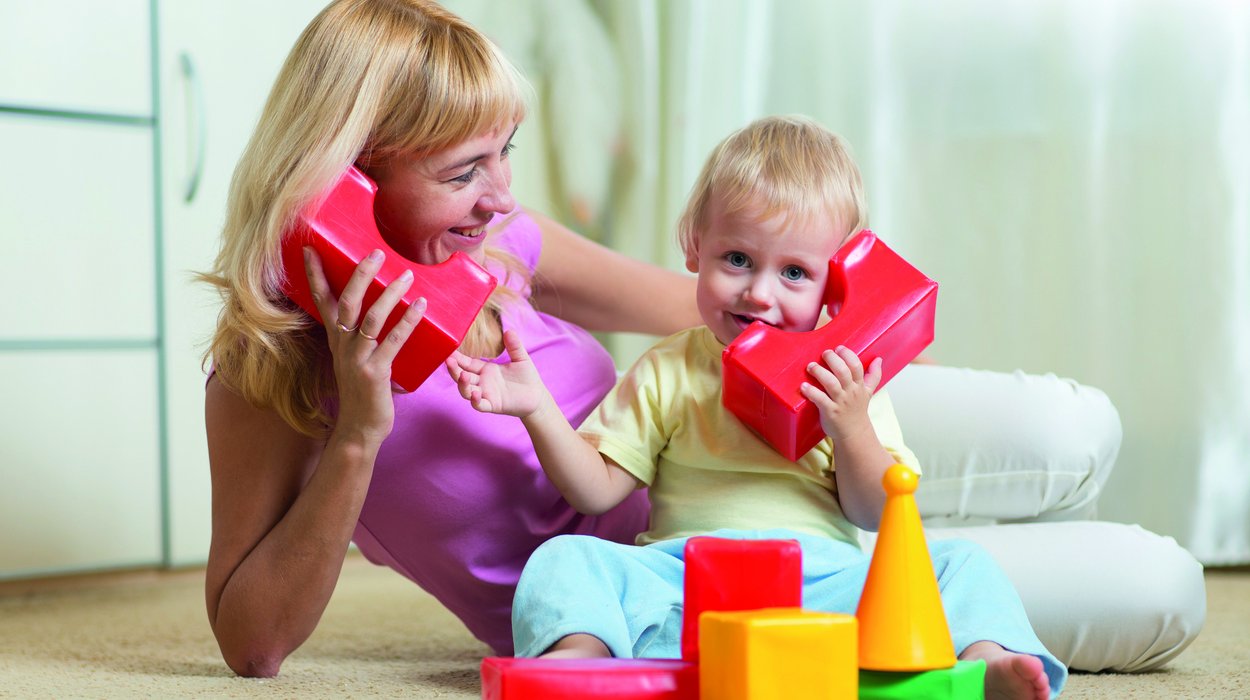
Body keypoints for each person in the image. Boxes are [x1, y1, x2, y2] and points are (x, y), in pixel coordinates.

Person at [200, 0, 1201, 681]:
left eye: (504, 152)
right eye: (466, 171)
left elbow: (693, 302)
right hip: (644, 581)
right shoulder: (267, 369)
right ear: (354, 177)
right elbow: (252, 645)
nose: (503, 196)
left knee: (1068, 428)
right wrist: (358, 433)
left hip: (769, 420)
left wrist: (855, 341)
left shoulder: (499, 237)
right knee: (1151, 584)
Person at [449, 116, 1063, 700]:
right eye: (737, 259)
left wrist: (848, 426)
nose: (759, 293)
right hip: (688, 585)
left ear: (837, 286)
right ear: (695, 246)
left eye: (795, 273)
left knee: (962, 564)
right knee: (565, 558)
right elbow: (596, 491)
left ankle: (985, 664)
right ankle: (582, 661)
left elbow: (878, 512)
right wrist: (537, 409)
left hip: (822, 592)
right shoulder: (673, 366)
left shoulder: (846, 381)